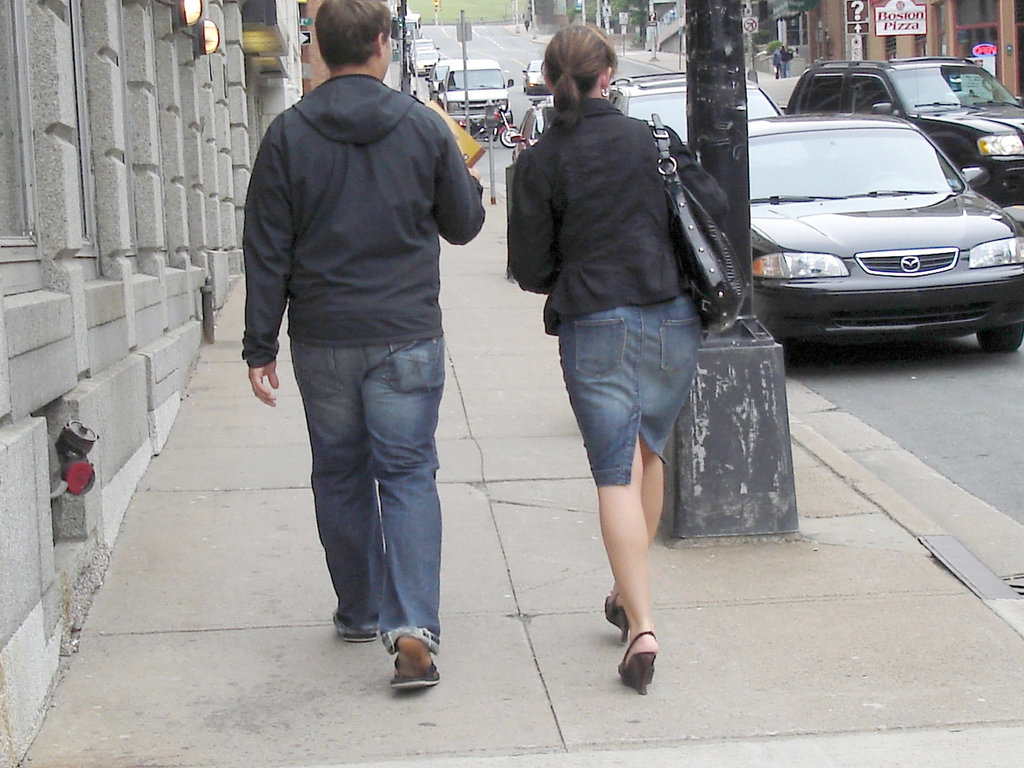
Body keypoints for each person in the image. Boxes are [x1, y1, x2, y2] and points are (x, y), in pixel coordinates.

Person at [242, 0, 485, 691]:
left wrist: (259, 345)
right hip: (405, 332)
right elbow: (464, 224)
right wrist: (460, 177)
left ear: (315, 46)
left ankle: (359, 608)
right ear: (383, 45)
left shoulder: (286, 136)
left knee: (340, 472)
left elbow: (266, 250)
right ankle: (411, 623)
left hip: (323, 337)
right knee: (407, 475)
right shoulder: (420, 126)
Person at [507, 25, 713, 695]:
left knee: (613, 474)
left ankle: (644, 624)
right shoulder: (654, 142)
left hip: (594, 322)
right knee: (648, 452)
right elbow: (706, 212)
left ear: (549, 78)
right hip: (671, 318)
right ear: (609, 75)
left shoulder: (541, 161)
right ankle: (627, 599)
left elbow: (531, 269)